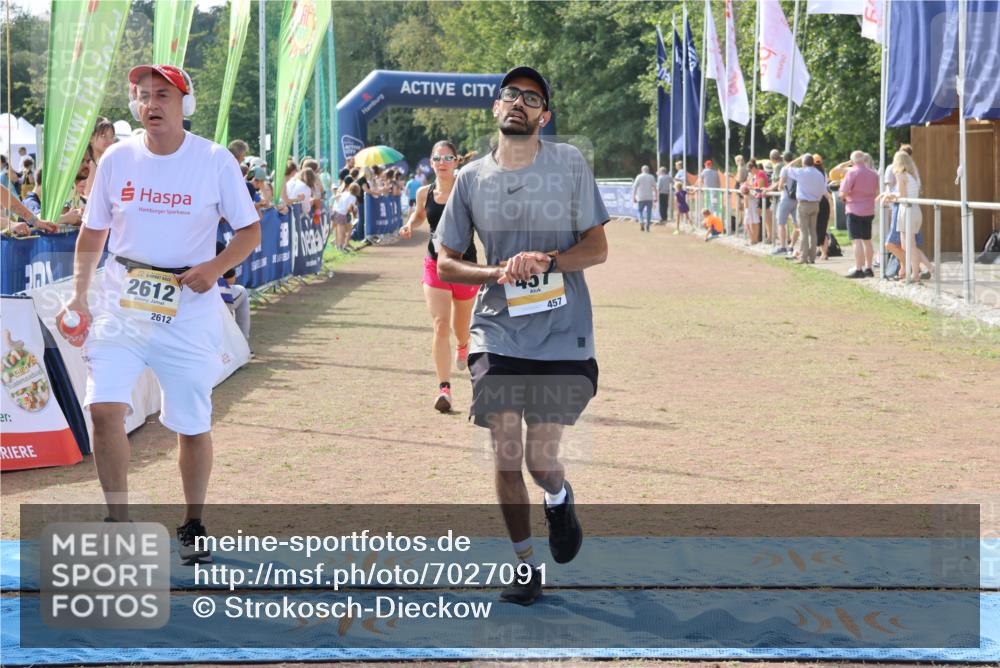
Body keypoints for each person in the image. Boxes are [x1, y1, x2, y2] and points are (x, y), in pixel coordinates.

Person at [58, 63, 261, 560]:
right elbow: (92, 232)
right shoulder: (116, 160)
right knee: (103, 410)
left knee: (191, 424)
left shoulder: (214, 161)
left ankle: (193, 522)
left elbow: (249, 232)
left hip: (188, 305)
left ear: (185, 104)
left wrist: (214, 268)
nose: (152, 104)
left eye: (164, 96)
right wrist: (79, 294)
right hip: (121, 297)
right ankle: (117, 522)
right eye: (144, 96)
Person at [436, 66, 607, 606]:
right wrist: (497, 273)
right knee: (506, 455)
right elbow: (445, 263)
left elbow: (597, 249)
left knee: (539, 461)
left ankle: (558, 497)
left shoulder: (570, 165)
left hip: (562, 334)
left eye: (532, 99)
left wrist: (547, 261)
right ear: (495, 108)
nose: (519, 103)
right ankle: (526, 567)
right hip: (497, 332)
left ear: (545, 117)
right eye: (511, 94)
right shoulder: (470, 179)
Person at [400, 141, 479, 413]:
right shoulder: (424, 192)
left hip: (465, 265)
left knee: (461, 327)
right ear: (431, 162)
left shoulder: (467, 189)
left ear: (456, 161)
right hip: (435, 264)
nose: (442, 161)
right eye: (437, 157)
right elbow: (420, 215)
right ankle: (444, 389)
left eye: (448, 157)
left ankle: (463, 346)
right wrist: (410, 224)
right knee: (440, 324)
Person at [885, 150, 932, 282]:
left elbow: (902, 196)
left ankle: (915, 274)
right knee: (910, 245)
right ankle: (915, 273)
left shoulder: (901, 175)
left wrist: (891, 196)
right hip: (916, 210)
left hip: (907, 210)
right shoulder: (912, 176)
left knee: (909, 246)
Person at [837, 151, 879, 278]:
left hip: (854, 208)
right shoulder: (874, 174)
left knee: (857, 241)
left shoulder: (852, 173)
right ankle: (869, 267)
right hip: (869, 210)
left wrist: (844, 198)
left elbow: (842, 193)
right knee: (867, 240)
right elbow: (877, 192)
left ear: (853, 160)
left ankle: (859, 268)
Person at [783, 154, 827, 264]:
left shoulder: (801, 172)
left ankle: (803, 257)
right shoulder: (819, 174)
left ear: (804, 163)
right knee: (813, 231)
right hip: (815, 203)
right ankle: (812, 257)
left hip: (804, 204)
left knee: (803, 231)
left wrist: (797, 159)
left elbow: (786, 168)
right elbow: (822, 189)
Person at [768, 150, 798, 255]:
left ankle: (783, 247)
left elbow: (780, 185)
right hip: (796, 199)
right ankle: (791, 246)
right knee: (796, 225)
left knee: (781, 223)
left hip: (786, 198)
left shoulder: (785, 169)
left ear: (784, 159)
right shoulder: (797, 169)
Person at [83, 117, 116, 198]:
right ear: (91, 138)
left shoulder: (99, 163)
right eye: (103, 136)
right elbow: (88, 196)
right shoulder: (89, 164)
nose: (109, 141)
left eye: (111, 137)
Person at [812, 155, 833, 260]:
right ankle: (823, 252)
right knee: (823, 228)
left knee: (814, 227)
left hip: (815, 200)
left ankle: (819, 251)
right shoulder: (823, 174)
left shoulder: (812, 174)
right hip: (824, 201)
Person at [332, 183, 360, 252]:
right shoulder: (353, 197)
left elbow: (337, 198)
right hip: (342, 214)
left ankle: (341, 245)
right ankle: (340, 247)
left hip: (336, 211)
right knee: (342, 232)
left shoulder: (345, 193)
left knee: (342, 230)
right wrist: (354, 210)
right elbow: (349, 209)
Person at [631, 165, 656, 232]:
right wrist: (656, 197)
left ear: (642, 170)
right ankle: (647, 226)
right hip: (649, 197)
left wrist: (634, 197)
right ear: (648, 170)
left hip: (641, 197)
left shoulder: (639, 177)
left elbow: (635, 187)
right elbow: (655, 187)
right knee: (649, 212)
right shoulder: (651, 177)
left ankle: (641, 221)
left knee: (639, 211)